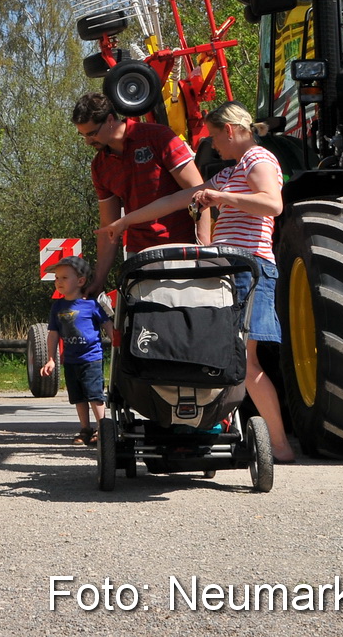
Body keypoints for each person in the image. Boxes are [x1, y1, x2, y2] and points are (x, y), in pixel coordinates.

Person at [97, 101, 296, 463]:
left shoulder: (258, 160)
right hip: (227, 271)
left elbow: (272, 204)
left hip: (250, 269)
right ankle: (210, 427)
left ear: (232, 130)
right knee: (217, 358)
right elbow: (175, 199)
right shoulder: (229, 171)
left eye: (215, 137)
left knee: (246, 365)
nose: (213, 146)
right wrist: (126, 222)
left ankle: (280, 445)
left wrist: (221, 198)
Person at [74, 91, 204, 297]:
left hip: (180, 249)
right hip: (139, 256)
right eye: (83, 135)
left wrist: (203, 251)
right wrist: (98, 280)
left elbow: (200, 193)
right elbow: (109, 229)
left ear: (110, 120)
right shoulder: (100, 166)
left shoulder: (158, 137)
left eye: (92, 133)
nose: (88, 142)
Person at [41, 256, 111, 444]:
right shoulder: (58, 307)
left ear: (80, 281)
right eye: (56, 278)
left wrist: (117, 344)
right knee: (78, 397)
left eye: (64, 277)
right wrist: (51, 359)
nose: (59, 282)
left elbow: (108, 325)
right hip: (71, 360)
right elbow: (53, 334)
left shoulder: (92, 305)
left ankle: (102, 429)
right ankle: (85, 429)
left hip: (91, 358)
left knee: (95, 395)